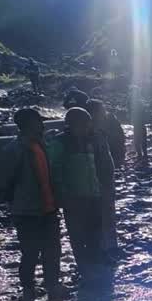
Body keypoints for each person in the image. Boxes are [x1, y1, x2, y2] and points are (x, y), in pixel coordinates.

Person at [0, 109, 68, 301]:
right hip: (27, 211)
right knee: (30, 253)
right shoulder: (14, 150)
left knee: (53, 250)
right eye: (39, 121)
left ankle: (53, 286)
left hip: (48, 208)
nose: (43, 124)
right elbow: (3, 180)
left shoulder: (41, 144)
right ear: (29, 123)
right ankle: (28, 293)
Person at [47, 108, 107, 280]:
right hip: (73, 197)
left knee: (95, 231)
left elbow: (94, 166)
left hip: (93, 194)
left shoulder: (89, 141)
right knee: (77, 235)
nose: (89, 126)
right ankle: (84, 267)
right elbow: (53, 170)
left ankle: (95, 262)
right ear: (73, 123)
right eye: (85, 123)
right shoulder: (60, 143)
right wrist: (62, 194)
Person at [85, 100, 120, 259]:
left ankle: (111, 248)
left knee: (109, 215)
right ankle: (104, 250)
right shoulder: (88, 136)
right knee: (102, 218)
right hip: (97, 184)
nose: (105, 114)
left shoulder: (100, 132)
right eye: (102, 111)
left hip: (107, 181)